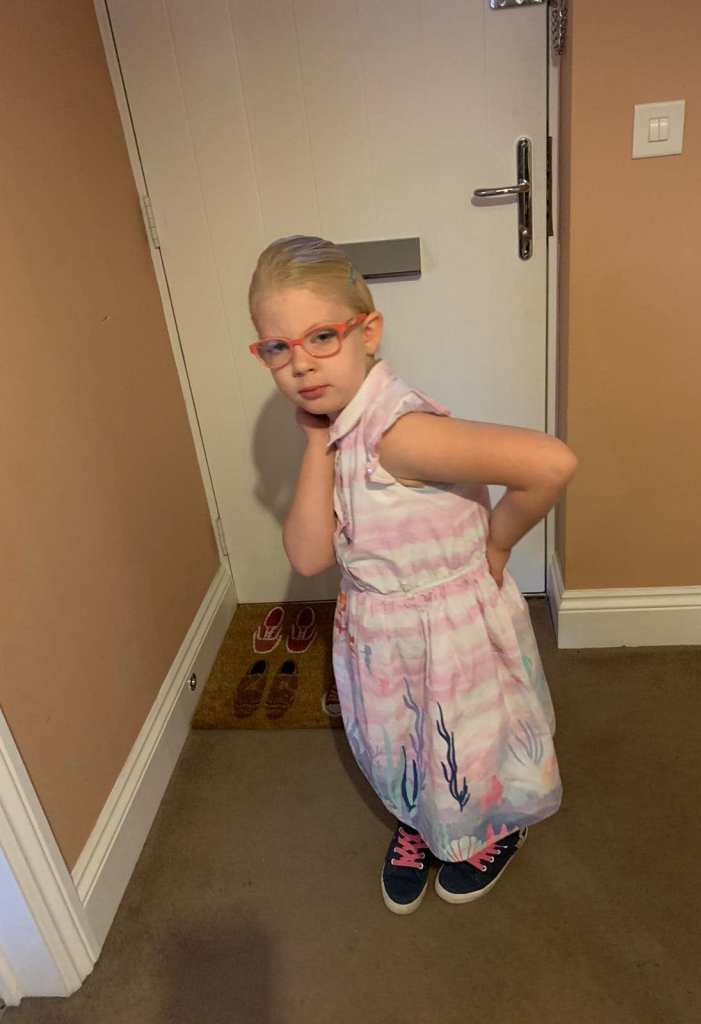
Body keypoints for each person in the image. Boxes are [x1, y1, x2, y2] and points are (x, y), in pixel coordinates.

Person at [248, 235, 578, 914]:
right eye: (278, 347)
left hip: (446, 631)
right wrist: (315, 440)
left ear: (367, 332)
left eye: (321, 337)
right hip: (384, 632)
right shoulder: (338, 426)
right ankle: (425, 818)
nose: (301, 364)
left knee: (469, 740)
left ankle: (492, 829)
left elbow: (550, 464)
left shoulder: (400, 434)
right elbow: (308, 556)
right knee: (409, 738)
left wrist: (496, 545)